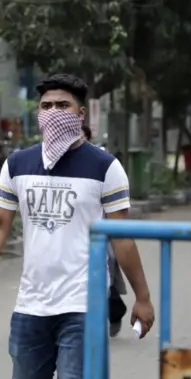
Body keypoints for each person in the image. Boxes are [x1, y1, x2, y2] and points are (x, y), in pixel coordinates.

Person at [0, 73, 155, 379]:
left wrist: (142, 297)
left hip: (84, 303)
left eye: (63, 105)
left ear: (80, 114)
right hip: (31, 305)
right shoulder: (19, 164)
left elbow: (123, 237)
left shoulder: (105, 167)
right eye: (47, 106)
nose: (54, 112)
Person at [81, 124, 129, 337]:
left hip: (102, 231)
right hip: (75, 234)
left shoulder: (103, 162)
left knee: (107, 267)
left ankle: (114, 310)